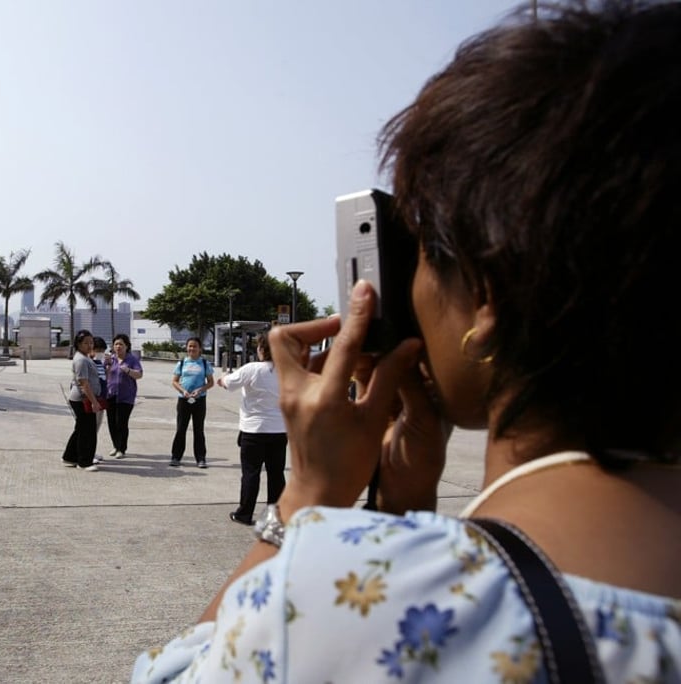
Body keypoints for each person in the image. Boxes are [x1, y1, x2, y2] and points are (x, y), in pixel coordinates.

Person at [132, 1, 681, 681]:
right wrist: (398, 512)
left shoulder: (356, 606)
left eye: (420, 247)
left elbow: (177, 672)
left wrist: (309, 499)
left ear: (485, 295)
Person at [216, 333, 286, 526]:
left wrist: (222, 378)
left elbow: (227, 383)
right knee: (276, 474)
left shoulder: (252, 369)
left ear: (261, 350)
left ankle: (244, 513)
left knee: (251, 472)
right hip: (279, 430)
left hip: (254, 430)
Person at [61, 329, 104, 472]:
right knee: (88, 431)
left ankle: (70, 456)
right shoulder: (80, 360)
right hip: (83, 399)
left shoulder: (85, 357)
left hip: (83, 398)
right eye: (86, 343)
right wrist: (94, 402)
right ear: (78, 344)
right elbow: (84, 383)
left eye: (91, 342)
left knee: (81, 429)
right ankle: (84, 461)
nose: (89, 345)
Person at [169, 337, 215, 468]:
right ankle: (176, 457)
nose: (192, 349)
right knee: (180, 429)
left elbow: (211, 382)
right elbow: (174, 381)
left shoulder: (205, 363)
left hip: (199, 400)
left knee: (198, 430)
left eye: (195, 346)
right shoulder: (182, 363)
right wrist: (183, 391)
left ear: (200, 348)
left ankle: (201, 458)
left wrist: (201, 390)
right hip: (184, 400)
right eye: (190, 346)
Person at [105, 333, 143, 459]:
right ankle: (115, 446)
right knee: (111, 423)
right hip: (110, 395)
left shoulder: (132, 360)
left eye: (121, 344)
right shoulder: (111, 359)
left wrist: (127, 370)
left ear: (127, 346)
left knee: (121, 422)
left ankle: (122, 448)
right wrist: (107, 365)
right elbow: (104, 374)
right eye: (116, 344)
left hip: (126, 397)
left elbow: (139, 374)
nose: (118, 346)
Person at [90, 337, 109, 462]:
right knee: (89, 428)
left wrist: (108, 367)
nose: (100, 353)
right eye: (98, 350)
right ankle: (87, 454)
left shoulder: (100, 364)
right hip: (92, 401)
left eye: (102, 350)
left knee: (96, 428)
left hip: (101, 399)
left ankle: (91, 451)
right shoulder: (88, 363)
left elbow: (104, 379)